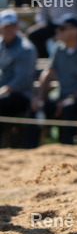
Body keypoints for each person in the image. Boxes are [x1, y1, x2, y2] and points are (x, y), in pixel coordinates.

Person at [32, 15, 77, 145]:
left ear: (75, 30)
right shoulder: (58, 49)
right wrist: (39, 96)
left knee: (68, 107)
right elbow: (48, 74)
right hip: (62, 97)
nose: (58, 31)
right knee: (38, 106)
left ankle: (68, 146)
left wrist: (69, 99)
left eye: (62, 28)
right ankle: (34, 147)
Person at [0, 10, 39, 143]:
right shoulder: (1, 46)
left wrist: (2, 91)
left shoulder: (26, 48)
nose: (9, 29)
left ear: (17, 26)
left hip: (21, 96)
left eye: (12, 26)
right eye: (6, 26)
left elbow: (21, 81)